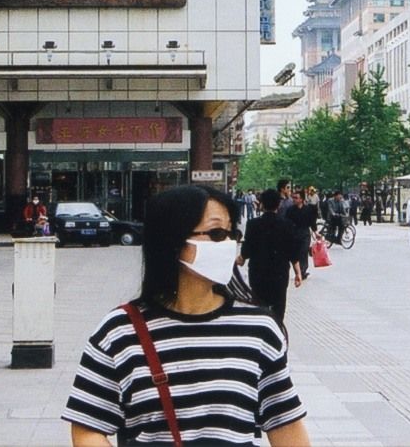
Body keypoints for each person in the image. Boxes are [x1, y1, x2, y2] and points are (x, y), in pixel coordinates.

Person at [63, 185, 310, 446]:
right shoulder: (119, 331)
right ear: (173, 240)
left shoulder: (259, 328)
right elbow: (87, 428)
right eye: (216, 234)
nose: (228, 245)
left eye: (232, 234)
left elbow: (286, 424)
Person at [240, 189, 303, 322]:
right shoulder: (287, 225)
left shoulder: (253, 224)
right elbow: (293, 252)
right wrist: (298, 273)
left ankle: (261, 329)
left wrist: (239, 260)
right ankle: (277, 328)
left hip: (258, 273)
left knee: (259, 305)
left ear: (262, 204)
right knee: (279, 306)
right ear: (278, 205)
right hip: (279, 274)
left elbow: (246, 250)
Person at [289, 192, 317, 279]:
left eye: (296, 198)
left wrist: (315, 232)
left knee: (304, 252)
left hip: (305, 234)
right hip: (294, 234)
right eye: (293, 198)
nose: (294, 199)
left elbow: (312, 222)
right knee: (297, 253)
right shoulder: (290, 210)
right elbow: (286, 222)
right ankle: (298, 271)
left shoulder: (308, 210)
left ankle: (303, 271)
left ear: (301, 199)